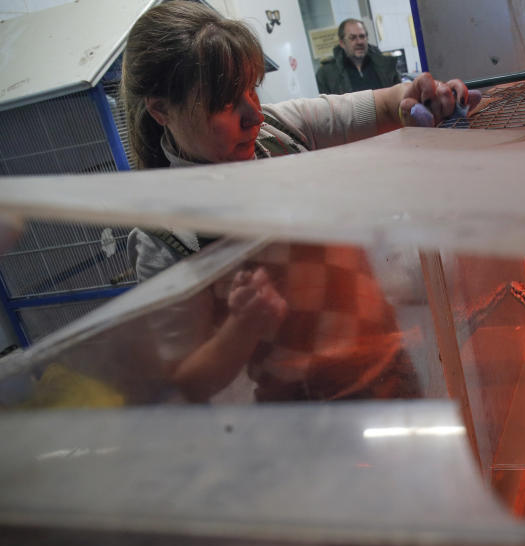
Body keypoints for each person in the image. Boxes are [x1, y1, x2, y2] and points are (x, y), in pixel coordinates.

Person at [121, 1, 478, 403]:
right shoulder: (165, 234)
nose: (252, 115)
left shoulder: (282, 130)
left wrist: (416, 99)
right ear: (160, 110)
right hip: (310, 416)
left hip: (390, 371)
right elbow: (187, 379)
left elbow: (384, 105)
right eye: (222, 102)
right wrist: (244, 325)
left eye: (250, 90)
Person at [315, 19, 401, 95]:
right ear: (342, 43)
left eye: (362, 36)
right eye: (352, 38)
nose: (359, 42)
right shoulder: (326, 75)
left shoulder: (385, 66)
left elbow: (399, 97)